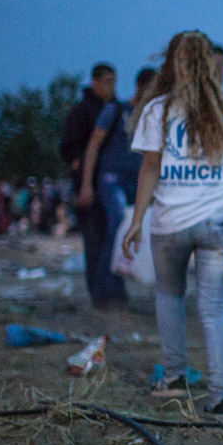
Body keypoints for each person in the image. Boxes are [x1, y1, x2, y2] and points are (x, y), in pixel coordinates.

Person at [123, 31, 223, 423]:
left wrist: (137, 221)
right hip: (219, 221)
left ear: (170, 62)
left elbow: (149, 168)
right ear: (210, 62)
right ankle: (221, 398)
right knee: (214, 310)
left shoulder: (156, 110)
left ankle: (174, 378)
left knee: (169, 298)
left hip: (168, 223)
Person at [78, 67, 156, 308]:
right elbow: (93, 146)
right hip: (111, 178)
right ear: (141, 87)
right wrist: (86, 184)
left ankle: (117, 289)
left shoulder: (151, 118)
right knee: (119, 224)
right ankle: (103, 291)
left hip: (136, 181)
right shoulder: (117, 110)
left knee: (129, 230)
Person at [60, 63, 118, 300]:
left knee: (112, 236)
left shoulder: (115, 109)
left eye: (114, 81)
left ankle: (112, 288)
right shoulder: (82, 111)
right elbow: (69, 148)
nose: (111, 87)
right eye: (107, 81)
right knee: (94, 239)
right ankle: (97, 291)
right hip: (89, 184)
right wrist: (83, 176)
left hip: (112, 184)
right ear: (95, 82)